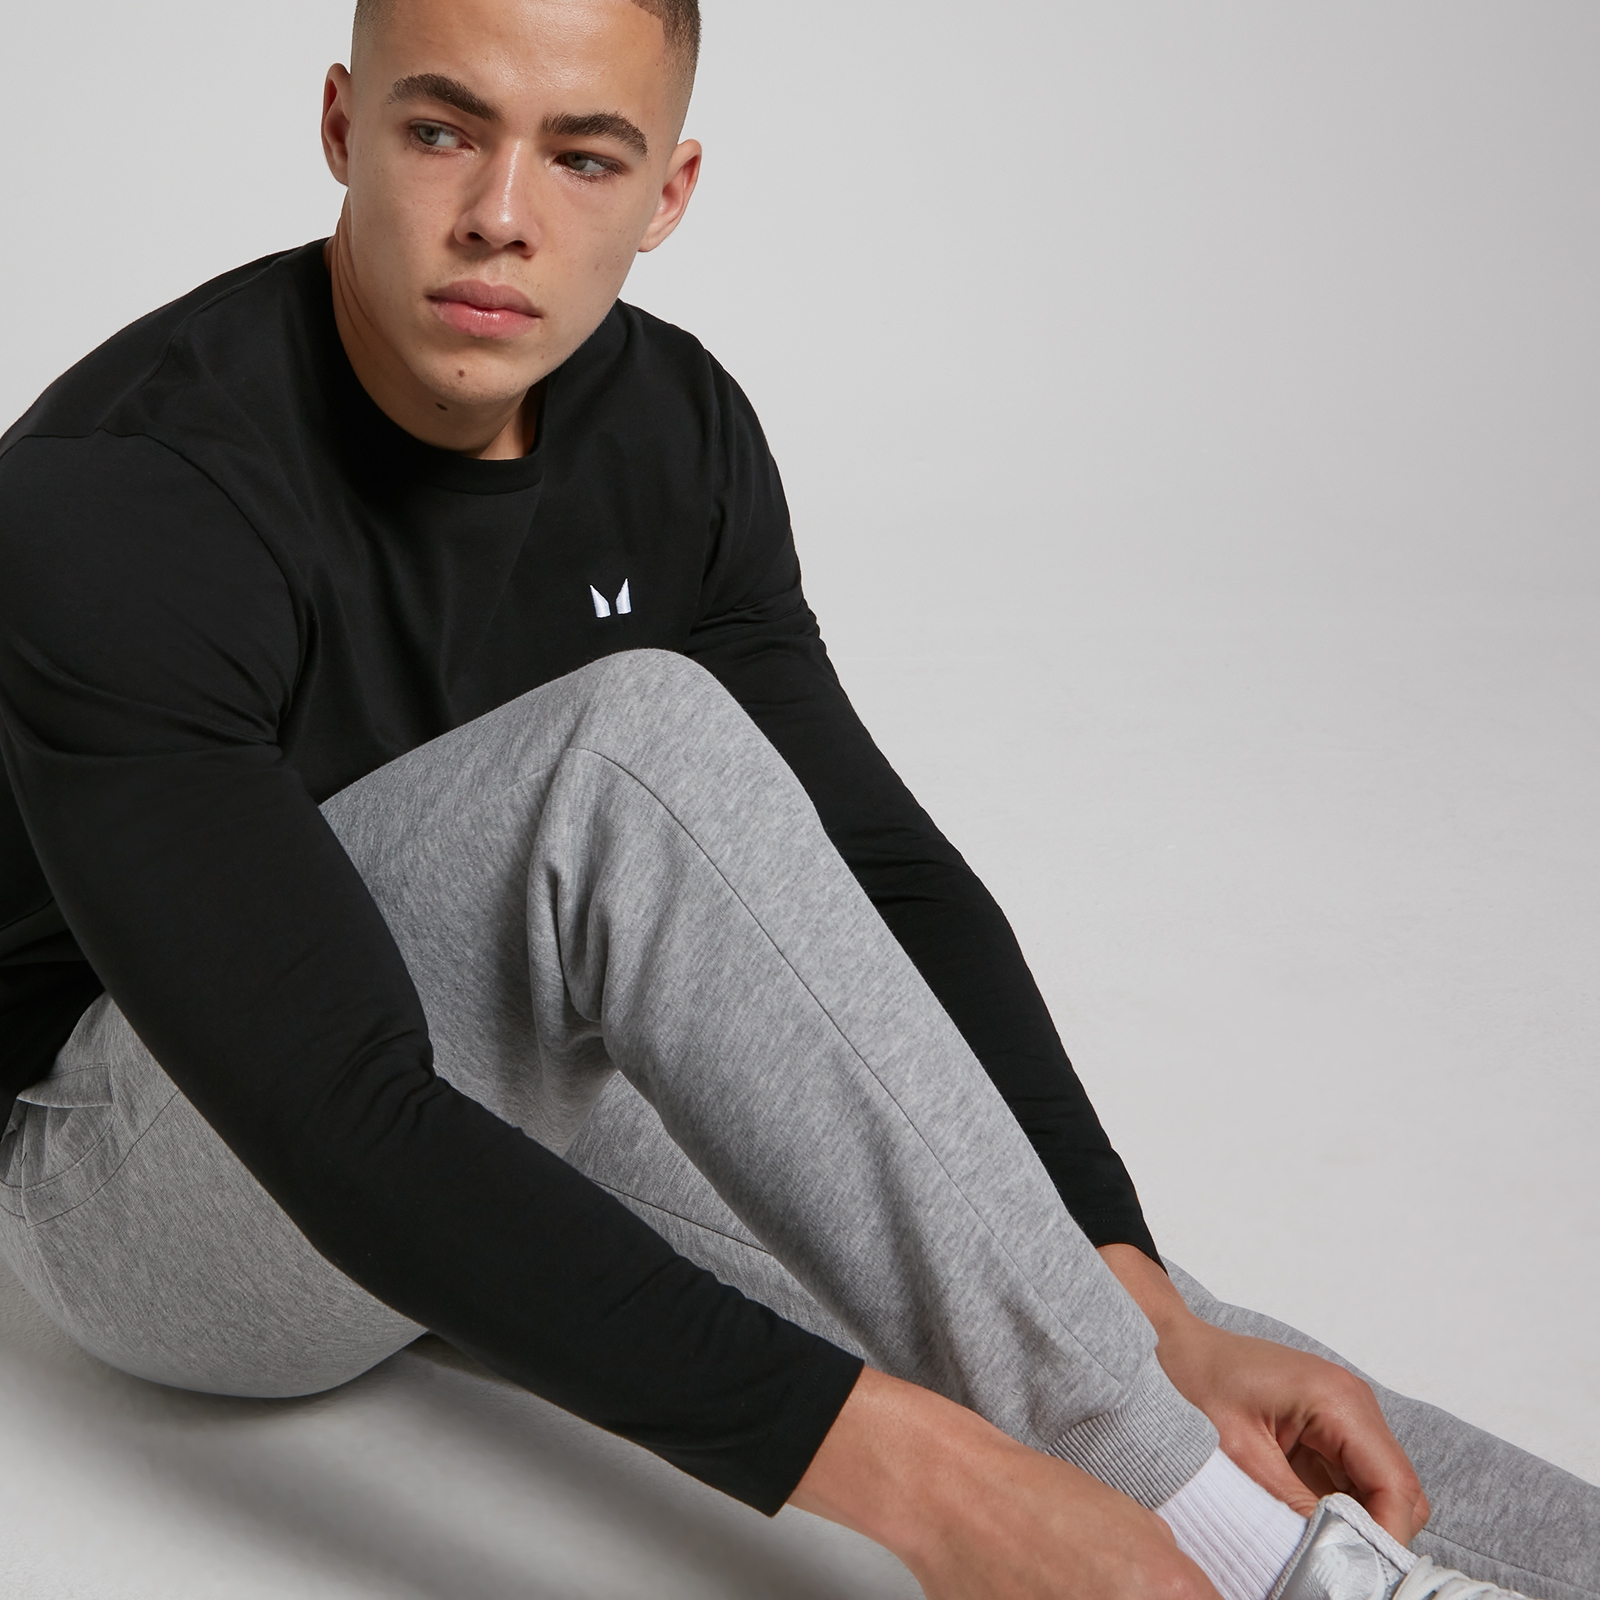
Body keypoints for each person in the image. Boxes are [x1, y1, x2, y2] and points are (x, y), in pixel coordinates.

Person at [0, 1, 1592, 1596]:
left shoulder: (675, 428)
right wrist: (946, 1491)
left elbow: (881, 866)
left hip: (464, 1095)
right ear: (344, 128)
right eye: (440, 131)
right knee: (627, 752)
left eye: (582, 156)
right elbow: (339, 1114)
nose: (500, 213)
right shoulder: (127, 496)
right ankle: (1204, 1517)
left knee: (1084, 1310)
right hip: (148, 1179)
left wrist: (1136, 1291)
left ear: (668, 192)